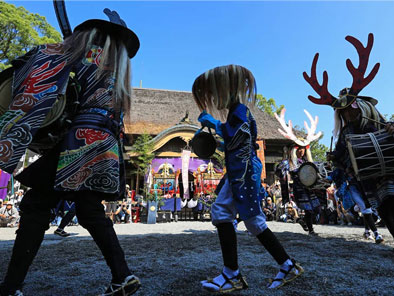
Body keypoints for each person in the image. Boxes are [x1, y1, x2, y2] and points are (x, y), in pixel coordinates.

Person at [0, 8, 141, 296]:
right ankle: (122, 276)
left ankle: (11, 286)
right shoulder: (117, 75)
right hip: (105, 144)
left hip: (78, 143)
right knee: (89, 211)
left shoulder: (84, 58)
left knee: (36, 206)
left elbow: (39, 67)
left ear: (93, 37)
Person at [192, 65, 303, 293]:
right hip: (241, 170)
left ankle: (232, 274)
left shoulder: (240, 110)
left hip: (243, 172)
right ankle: (287, 265)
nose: (214, 98)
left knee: (223, 213)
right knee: (253, 221)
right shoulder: (237, 111)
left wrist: (212, 123)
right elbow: (235, 142)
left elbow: (235, 135)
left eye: (215, 93)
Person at [303, 33, 388, 243]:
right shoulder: (346, 133)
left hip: (384, 170)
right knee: (364, 203)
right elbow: (341, 154)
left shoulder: (375, 120)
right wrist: (335, 158)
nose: (347, 115)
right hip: (358, 177)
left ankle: (374, 231)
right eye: (343, 113)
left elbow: (387, 131)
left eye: (349, 110)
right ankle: (374, 233)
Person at [274, 109, 322, 235]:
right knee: (308, 210)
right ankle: (311, 230)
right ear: (295, 150)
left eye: (303, 149)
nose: (301, 151)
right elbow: (279, 169)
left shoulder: (308, 162)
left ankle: (302, 221)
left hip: (310, 187)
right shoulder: (290, 162)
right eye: (299, 149)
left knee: (317, 208)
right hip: (299, 188)